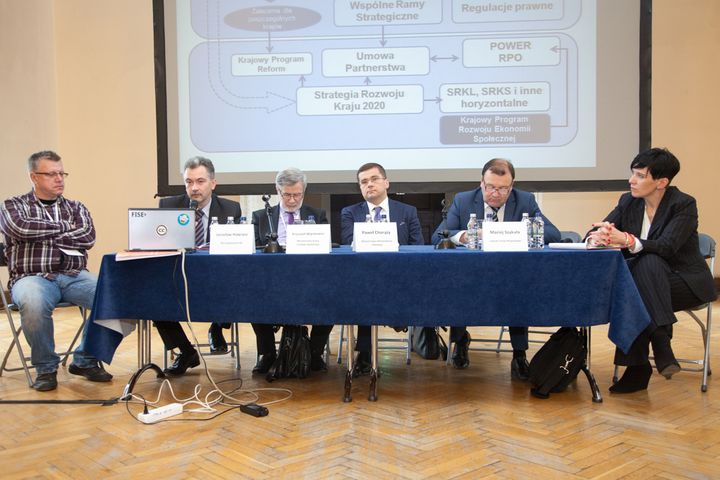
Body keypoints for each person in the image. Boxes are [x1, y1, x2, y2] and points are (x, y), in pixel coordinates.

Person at [587, 148, 716, 393]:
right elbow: (598, 230)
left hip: (685, 281)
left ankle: (638, 368)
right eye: (632, 174)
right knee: (639, 277)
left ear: (661, 182)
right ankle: (661, 344)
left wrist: (627, 240)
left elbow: (667, 247)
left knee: (643, 269)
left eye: (640, 175)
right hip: (651, 287)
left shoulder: (683, 204)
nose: (631, 180)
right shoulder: (628, 201)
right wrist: (599, 236)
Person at [431, 158, 561, 380]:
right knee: (456, 286)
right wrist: (466, 235)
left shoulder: (525, 200)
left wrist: (516, 231)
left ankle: (519, 355)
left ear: (511, 186)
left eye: (502, 188)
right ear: (481, 183)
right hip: (470, 275)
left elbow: (553, 233)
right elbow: (438, 236)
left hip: (510, 275)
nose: (495, 193)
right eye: (490, 187)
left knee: (519, 292)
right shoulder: (463, 200)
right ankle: (460, 341)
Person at [0, 150, 112, 391]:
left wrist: (44, 234)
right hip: (31, 277)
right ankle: (46, 368)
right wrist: (64, 228)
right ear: (34, 177)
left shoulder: (76, 207)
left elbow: (88, 236)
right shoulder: (13, 205)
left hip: (73, 275)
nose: (59, 179)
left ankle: (85, 359)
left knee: (118, 299)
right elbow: (21, 228)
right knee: (33, 301)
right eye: (51, 174)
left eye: (62, 173)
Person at [156, 156, 242, 375]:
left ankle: (217, 326)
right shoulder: (168, 206)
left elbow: (235, 251)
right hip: (178, 276)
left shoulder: (230, 209)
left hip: (217, 278)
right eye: (189, 182)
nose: (194, 188)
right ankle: (186, 352)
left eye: (200, 181)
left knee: (238, 282)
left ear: (213, 183)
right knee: (154, 296)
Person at [340, 162, 424, 376]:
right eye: (363, 182)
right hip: (363, 277)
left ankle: (368, 351)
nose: (369, 184)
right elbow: (349, 245)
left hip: (399, 277)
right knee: (366, 290)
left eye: (374, 179)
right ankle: (365, 353)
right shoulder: (350, 213)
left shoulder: (407, 211)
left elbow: (417, 247)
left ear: (386, 183)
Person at [250, 167, 332, 373]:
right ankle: (268, 354)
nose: (293, 200)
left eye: (298, 195)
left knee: (331, 299)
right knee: (253, 298)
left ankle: (314, 353)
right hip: (271, 280)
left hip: (309, 279)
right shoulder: (261, 216)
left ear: (304, 191)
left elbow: (327, 249)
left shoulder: (317, 215)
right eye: (287, 195)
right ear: (277, 191)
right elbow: (254, 251)